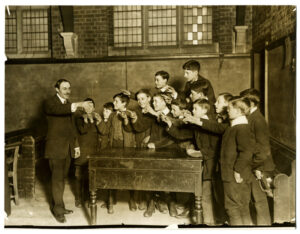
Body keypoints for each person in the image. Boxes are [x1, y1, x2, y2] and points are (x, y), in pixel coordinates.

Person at [44, 79, 93, 223]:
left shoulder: (68, 104)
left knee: (61, 179)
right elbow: (58, 110)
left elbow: (72, 129)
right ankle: (58, 210)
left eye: (69, 88)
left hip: (67, 149)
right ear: (56, 89)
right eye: (64, 88)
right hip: (55, 149)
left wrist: (76, 146)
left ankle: (59, 206)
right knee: (57, 180)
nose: (68, 91)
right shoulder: (50, 103)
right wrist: (79, 105)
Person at [163, 99, 219, 225]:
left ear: (204, 110)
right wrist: (170, 125)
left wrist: (198, 153)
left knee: (207, 196)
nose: (192, 111)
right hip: (203, 162)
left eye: (195, 109)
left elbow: (215, 149)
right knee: (204, 195)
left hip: (211, 165)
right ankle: (205, 223)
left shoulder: (211, 124)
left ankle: (208, 224)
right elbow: (182, 135)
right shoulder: (196, 124)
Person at [240, 88, 276, 225]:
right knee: (255, 201)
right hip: (256, 165)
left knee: (260, 202)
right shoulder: (251, 118)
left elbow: (263, 150)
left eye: (244, 104)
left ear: (251, 103)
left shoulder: (258, 120)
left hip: (260, 167)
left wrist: (255, 167)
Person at [74, 98, 102, 208]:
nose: (89, 108)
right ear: (83, 107)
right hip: (82, 151)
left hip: (93, 152)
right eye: (87, 106)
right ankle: (78, 198)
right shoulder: (79, 119)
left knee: (90, 177)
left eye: (91, 106)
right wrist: (86, 120)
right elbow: (82, 131)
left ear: (94, 108)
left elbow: (101, 133)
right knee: (78, 176)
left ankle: (89, 198)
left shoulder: (97, 119)